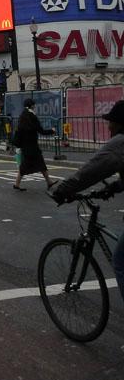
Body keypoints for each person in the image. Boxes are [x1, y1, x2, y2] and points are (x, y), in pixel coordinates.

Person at [52, 100, 124, 304]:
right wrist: (114, 187)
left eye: (111, 122)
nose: (108, 127)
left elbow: (91, 171)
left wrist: (63, 190)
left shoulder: (120, 143)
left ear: (120, 124)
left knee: (120, 261)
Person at [12, 98, 56, 191]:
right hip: (32, 145)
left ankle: (49, 182)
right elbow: (41, 130)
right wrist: (52, 131)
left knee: (37, 164)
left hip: (25, 145)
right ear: (32, 105)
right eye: (34, 105)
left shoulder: (22, 115)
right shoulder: (32, 116)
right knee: (32, 165)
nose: (35, 106)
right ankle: (17, 184)